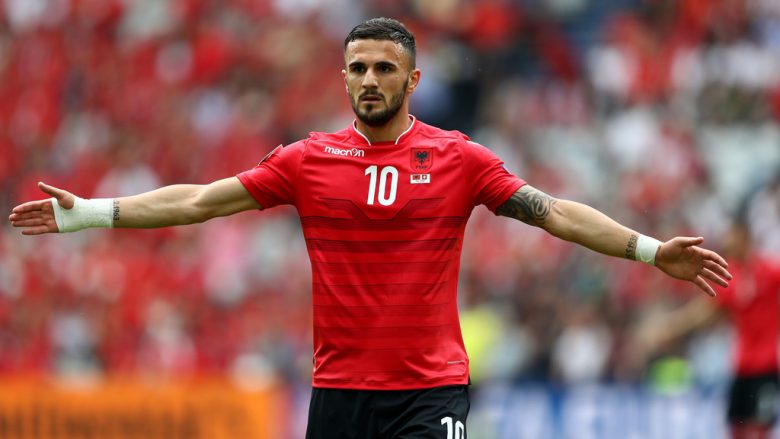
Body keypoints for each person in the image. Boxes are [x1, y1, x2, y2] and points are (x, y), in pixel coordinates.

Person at [8, 17, 732, 439]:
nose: (369, 79)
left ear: (412, 81)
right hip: (340, 392)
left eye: (385, 68)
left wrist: (648, 249)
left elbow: (555, 212)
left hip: (430, 390)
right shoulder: (307, 159)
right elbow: (200, 200)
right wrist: (93, 212)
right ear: (343, 78)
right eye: (358, 68)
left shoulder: (458, 158)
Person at [636, 221, 780, 439]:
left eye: (732, 237)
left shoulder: (770, 271)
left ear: (745, 238)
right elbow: (705, 312)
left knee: (762, 429)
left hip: (767, 366)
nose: (727, 243)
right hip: (742, 366)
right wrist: (671, 328)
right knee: (736, 427)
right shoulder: (732, 276)